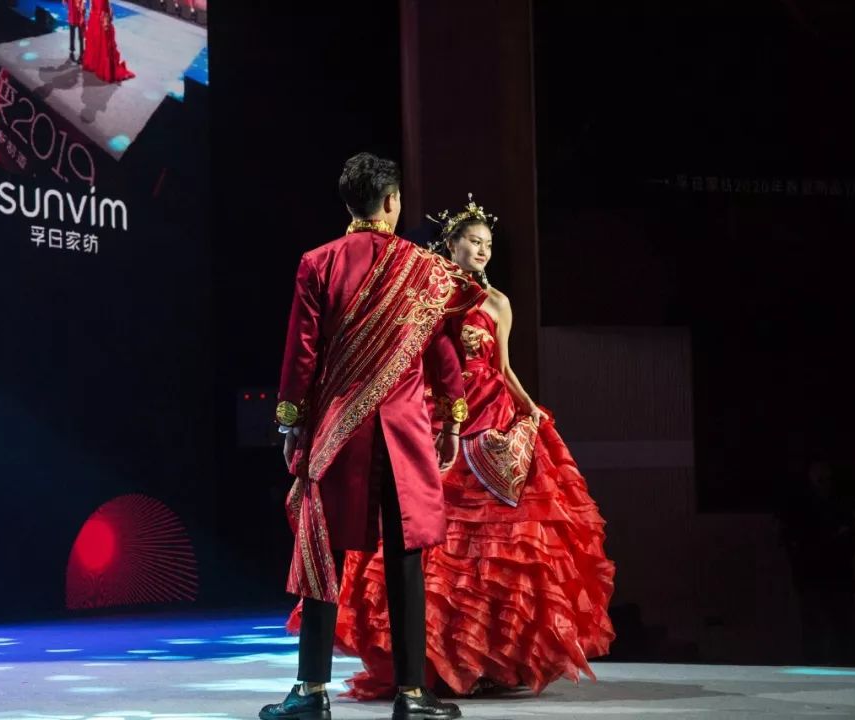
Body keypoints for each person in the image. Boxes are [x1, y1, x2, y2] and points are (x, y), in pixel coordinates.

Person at [293, 195, 616, 699]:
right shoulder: (426, 286)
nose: (482, 250)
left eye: (488, 243)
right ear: (451, 243)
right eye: (473, 241)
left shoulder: (498, 303)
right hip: (432, 417)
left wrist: (528, 406)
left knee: (503, 546)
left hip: (491, 419)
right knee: (427, 548)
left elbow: (504, 368)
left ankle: (489, 658)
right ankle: (427, 667)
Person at [260, 155, 485, 720]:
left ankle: (311, 691)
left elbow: (301, 352)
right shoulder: (428, 270)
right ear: (391, 202)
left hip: (337, 433)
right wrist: (453, 420)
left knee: (322, 552)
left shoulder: (319, 262)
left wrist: (292, 423)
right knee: (406, 558)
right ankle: (412, 694)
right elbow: (442, 351)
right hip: (406, 433)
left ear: (350, 203)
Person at [81, 0, 134, 83]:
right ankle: (97, 64)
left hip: (100, 15)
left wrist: (108, 10)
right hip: (96, 14)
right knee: (98, 40)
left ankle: (101, 66)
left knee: (102, 41)